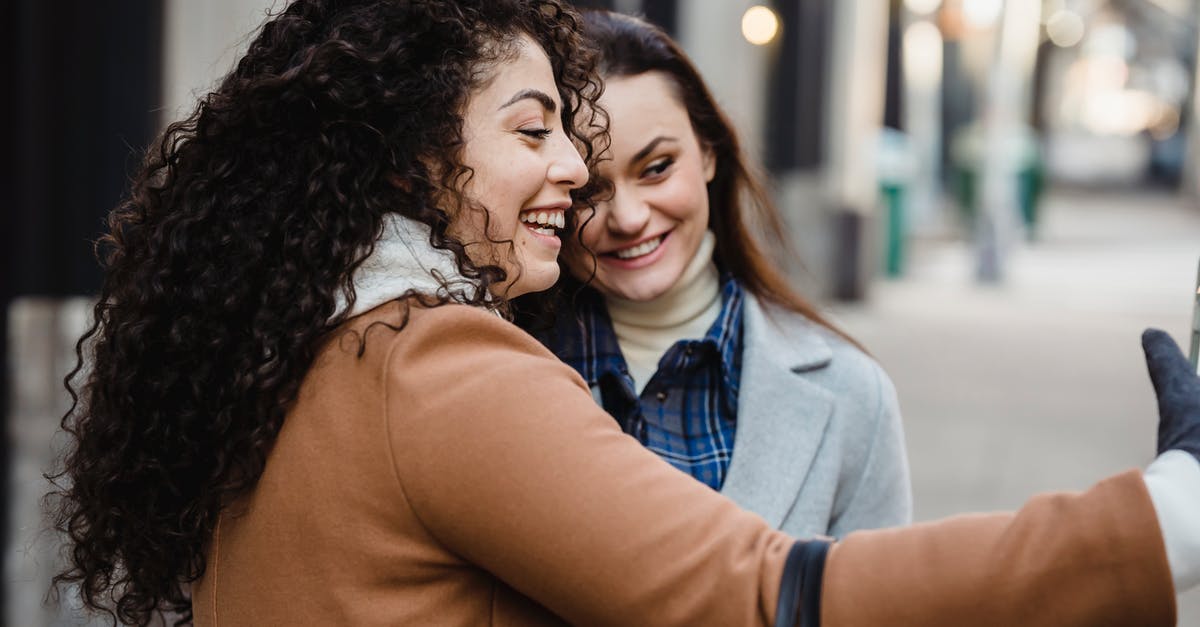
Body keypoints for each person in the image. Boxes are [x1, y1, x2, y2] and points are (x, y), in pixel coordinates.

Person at [46, 0, 1200, 625]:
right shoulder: (439, 367)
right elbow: (773, 597)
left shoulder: (303, 342)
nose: (574, 180)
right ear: (408, 163)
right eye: (534, 130)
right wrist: (1170, 513)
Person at [517, 10, 910, 537]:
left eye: (656, 168)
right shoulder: (506, 366)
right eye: (590, 191)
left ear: (707, 153)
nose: (629, 218)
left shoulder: (853, 394)